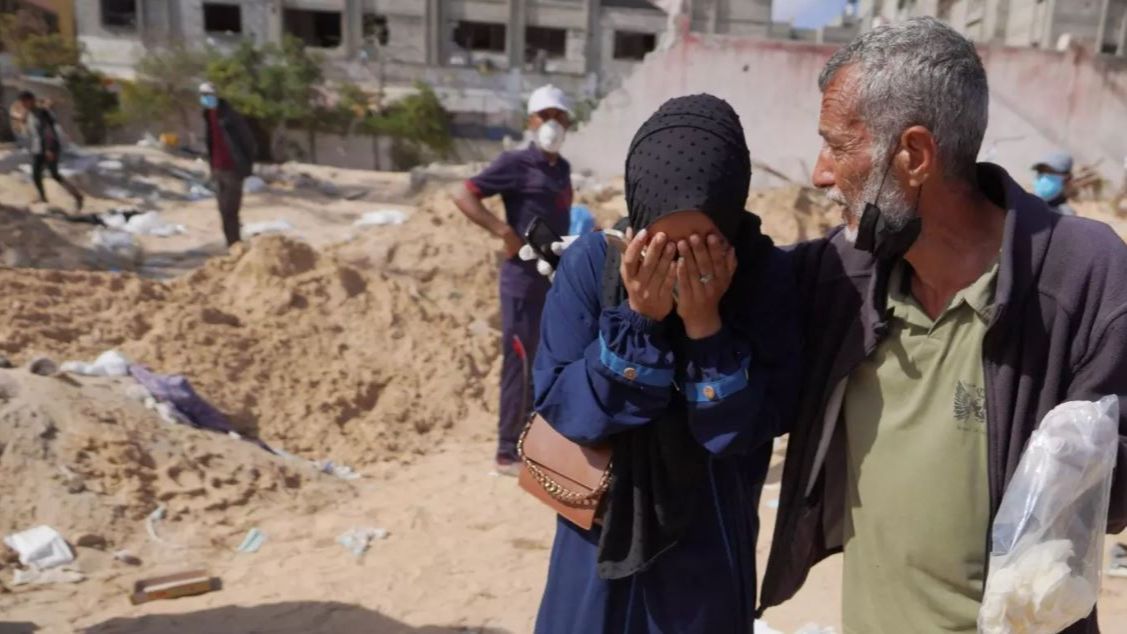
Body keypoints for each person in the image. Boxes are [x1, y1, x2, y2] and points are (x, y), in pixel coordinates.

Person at [758, 18, 1127, 633]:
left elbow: (1111, 489)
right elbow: (728, 293)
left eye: (839, 146)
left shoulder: (1083, 278)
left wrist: (1082, 466)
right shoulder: (841, 277)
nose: (821, 173)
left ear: (915, 155)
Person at [532, 94, 799, 633]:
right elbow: (564, 411)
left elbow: (752, 429)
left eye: (703, 245)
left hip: (708, 549)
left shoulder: (766, 279)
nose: (680, 264)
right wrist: (639, 322)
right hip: (598, 542)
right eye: (662, 244)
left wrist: (706, 331)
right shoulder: (592, 266)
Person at [451, 84, 574, 472]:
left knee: (546, 364)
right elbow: (464, 195)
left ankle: (534, 441)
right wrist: (503, 232)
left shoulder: (562, 169)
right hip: (521, 281)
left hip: (550, 280)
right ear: (532, 121)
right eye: (546, 117)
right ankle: (507, 451)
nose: (553, 125)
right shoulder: (515, 163)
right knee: (519, 366)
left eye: (560, 117)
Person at [200, 82, 256, 247]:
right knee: (223, 210)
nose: (205, 99)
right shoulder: (208, 116)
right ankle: (230, 243)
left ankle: (235, 244)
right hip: (218, 169)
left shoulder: (230, 116)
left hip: (232, 169)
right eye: (203, 95)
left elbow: (248, 141)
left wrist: (245, 166)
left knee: (231, 210)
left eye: (208, 95)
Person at [19, 91, 83, 211]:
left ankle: (77, 196)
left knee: (54, 175)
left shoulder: (43, 113)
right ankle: (43, 198)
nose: (23, 104)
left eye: (25, 101)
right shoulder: (30, 114)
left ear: (31, 100)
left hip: (49, 147)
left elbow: (49, 132)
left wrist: (49, 149)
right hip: (38, 148)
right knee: (36, 174)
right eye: (22, 102)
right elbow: (28, 128)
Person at [1032, 150, 1077, 215]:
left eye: (1051, 172)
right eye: (1041, 171)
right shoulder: (1024, 206)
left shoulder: (1066, 216)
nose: (1044, 177)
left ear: (1067, 177)